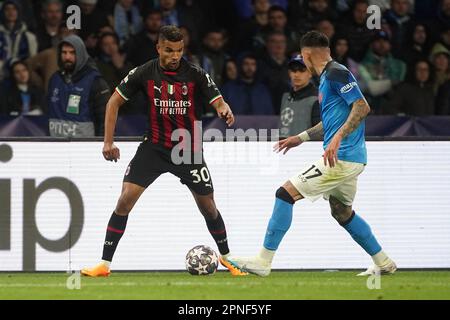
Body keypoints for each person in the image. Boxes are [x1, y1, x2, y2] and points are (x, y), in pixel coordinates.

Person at [81, 25, 247, 277]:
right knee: (125, 200)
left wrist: (224, 109)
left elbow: (218, 100)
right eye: (169, 50)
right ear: (158, 47)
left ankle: (227, 258)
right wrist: (108, 142)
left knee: (208, 207)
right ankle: (104, 264)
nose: (174, 56)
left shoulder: (196, 74)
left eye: (179, 50)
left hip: (187, 148)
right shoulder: (144, 73)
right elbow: (113, 102)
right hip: (155, 147)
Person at [229, 31, 397, 277]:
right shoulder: (329, 76)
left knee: (284, 193)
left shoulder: (336, 73)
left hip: (342, 158)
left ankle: (263, 261)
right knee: (342, 212)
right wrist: (302, 137)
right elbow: (331, 121)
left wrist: (338, 138)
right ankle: (383, 262)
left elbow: (362, 106)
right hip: (352, 158)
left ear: (307, 55)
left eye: (302, 58)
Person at [47, 35, 110, 137]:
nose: (67, 57)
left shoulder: (96, 82)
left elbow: (106, 121)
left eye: (72, 53)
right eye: (64, 52)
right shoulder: (54, 79)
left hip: (84, 150)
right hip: (55, 148)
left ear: (80, 54)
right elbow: (47, 114)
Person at [279, 55, 320, 137]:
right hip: (283, 146)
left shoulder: (317, 99)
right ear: (289, 73)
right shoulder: (285, 97)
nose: (297, 74)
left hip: (307, 148)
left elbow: (319, 132)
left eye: (302, 70)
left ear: (310, 73)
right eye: (293, 70)